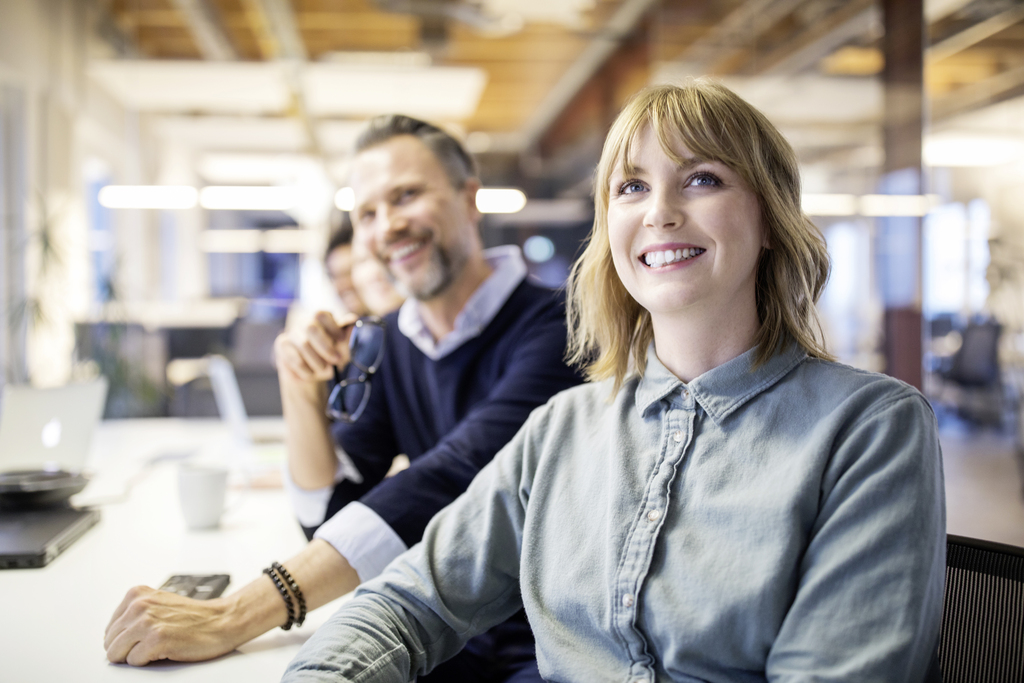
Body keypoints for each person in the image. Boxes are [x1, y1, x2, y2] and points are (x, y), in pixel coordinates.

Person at [282, 81, 946, 682]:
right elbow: (409, 599)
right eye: (630, 187)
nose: (659, 212)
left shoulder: (872, 427)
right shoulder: (562, 425)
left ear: (769, 218)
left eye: (702, 179)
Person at [104, 114, 583, 679]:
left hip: (550, 635)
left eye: (406, 196)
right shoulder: (389, 343)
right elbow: (330, 517)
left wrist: (236, 613)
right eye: (368, 213)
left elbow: (454, 479)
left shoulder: (560, 325)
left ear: (469, 198)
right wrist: (298, 385)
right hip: (448, 629)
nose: (387, 227)